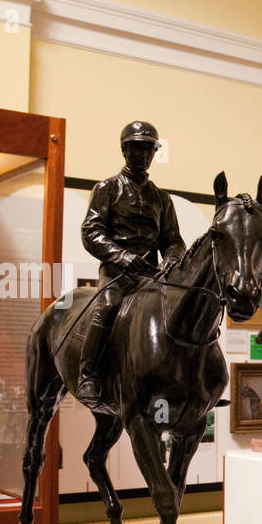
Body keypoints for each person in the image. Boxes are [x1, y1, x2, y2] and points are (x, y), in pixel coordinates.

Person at [77, 120, 186, 404]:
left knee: (182, 311)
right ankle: (87, 374)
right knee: (109, 307)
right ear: (125, 150)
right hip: (116, 273)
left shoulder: (162, 199)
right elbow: (91, 231)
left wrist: (171, 261)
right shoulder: (107, 188)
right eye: (138, 149)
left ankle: (187, 380)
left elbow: (173, 239)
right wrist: (122, 257)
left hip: (152, 275)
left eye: (149, 150)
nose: (144, 155)